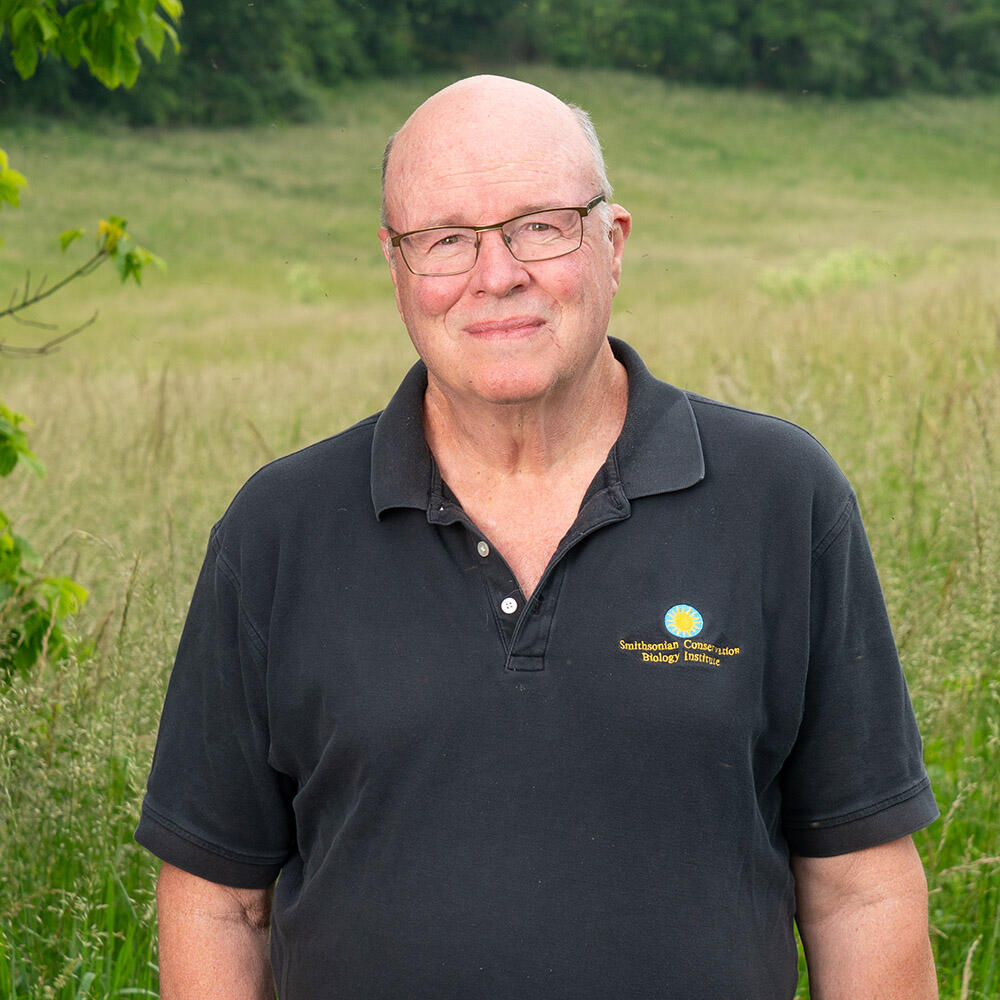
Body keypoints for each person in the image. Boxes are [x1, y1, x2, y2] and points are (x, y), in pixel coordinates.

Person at [136, 75, 940, 999]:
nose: (496, 275)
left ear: (613, 242)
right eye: (445, 240)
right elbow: (216, 902)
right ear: (397, 268)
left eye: (540, 225)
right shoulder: (277, 530)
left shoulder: (782, 499)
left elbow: (860, 892)